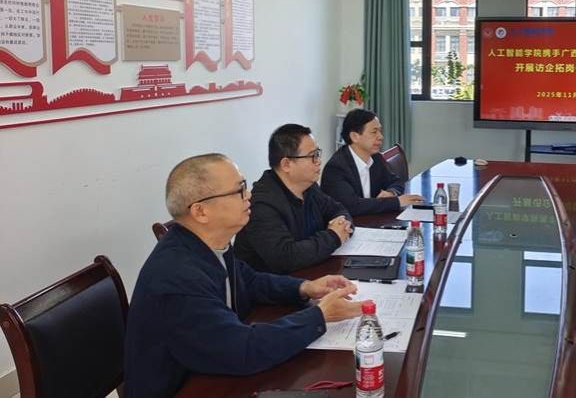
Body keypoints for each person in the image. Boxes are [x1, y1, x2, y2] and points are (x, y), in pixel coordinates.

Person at [125, 153, 363, 398]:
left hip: (212, 374)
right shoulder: (177, 277)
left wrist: (304, 288)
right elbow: (241, 350)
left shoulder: (207, 244)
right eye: (239, 190)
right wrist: (319, 316)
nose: (248, 195)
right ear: (201, 211)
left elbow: (249, 281)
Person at [234, 124, 353, 273]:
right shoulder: (262, 205)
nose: (318, 161)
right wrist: (333, 236)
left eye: (318, 154)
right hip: (274, 284)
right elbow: (285, 258)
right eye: (312, 156)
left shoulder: (308, 187)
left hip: (310, 273)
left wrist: (341, 224)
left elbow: (338, 209)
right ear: (286, 164)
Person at [321, 108, 423, 215]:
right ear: (354, 136)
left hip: (371, 220)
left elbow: (396, 180)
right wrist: (396, 202)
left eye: (380, 131)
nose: (381, 137)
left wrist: (391, 192)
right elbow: (352, 206)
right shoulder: (336, 168)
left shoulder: (375, 157)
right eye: (374, 132)